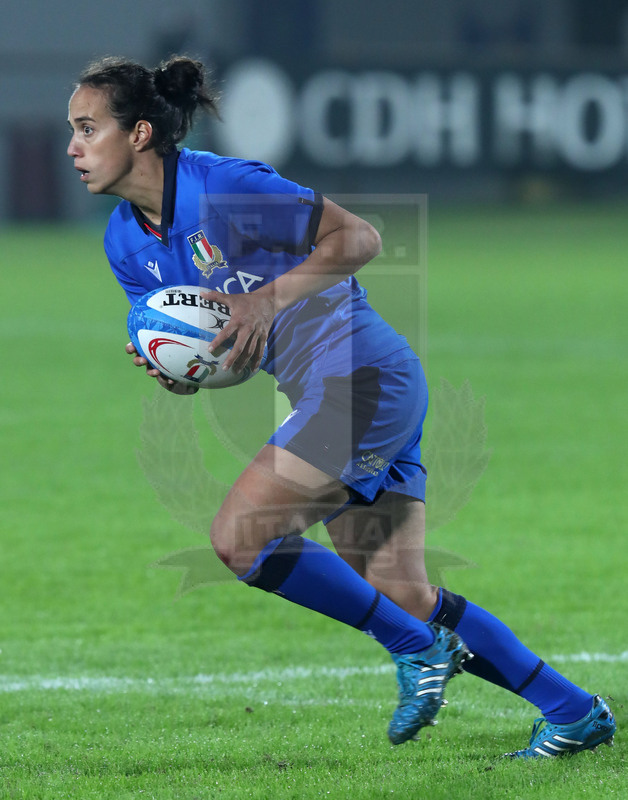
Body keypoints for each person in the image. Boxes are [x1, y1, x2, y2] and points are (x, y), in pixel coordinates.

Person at [67, 55, 616, 758]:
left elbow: (360, 238)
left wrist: (266, 296)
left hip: (363, 382)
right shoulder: (123, 242)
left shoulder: (227, 189)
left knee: (240, 538)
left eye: (88, 128)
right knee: (404, 591)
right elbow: (225, 339)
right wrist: (188, 370)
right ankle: (573, 713)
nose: (74, 147)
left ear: (140, 132)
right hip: (341, 393)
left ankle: (419, 651)